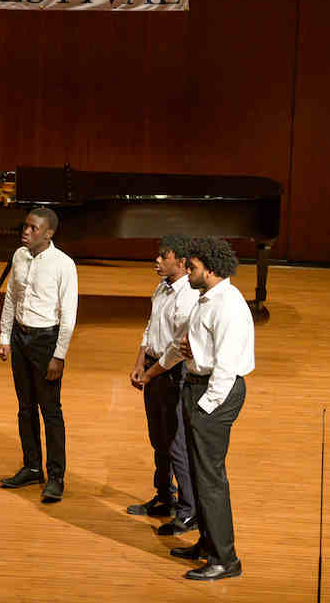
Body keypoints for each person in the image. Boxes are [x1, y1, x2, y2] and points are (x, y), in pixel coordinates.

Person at [142, 236, 254, 581]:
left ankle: (226, 559)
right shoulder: (205, 300)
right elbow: (182, 345)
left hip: (214, 394)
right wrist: (153, 371)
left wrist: (205, 407)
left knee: (210, 479)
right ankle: (207, 544)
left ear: (211, 269)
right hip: (196, 387)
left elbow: (227, 368)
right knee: (197, 471)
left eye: (192, 267)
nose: (187, 271)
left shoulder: (228, 305)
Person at [0, 207, 78, 503]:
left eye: (34, 228)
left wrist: (59, 355)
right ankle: (32, 467)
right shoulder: (19, 256)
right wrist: (5, 337)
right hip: (20, 338)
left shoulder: (63, 265)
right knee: (25, 407)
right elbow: (11, 297)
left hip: (46, 341)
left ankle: (56, 476)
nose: (26, 232)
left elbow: (69, 315)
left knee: (50, 410)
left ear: (49, 233)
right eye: (26, 226)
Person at [126, 235, 199, 535]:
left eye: (163, 256)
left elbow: (176, 350)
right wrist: (139, 363)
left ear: (181, 262)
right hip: (153, 368)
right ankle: (165, 497)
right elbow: (150, 328)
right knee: (158, 438)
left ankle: (189, 510)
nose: (156, 260)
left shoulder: (188, 296)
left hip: (172, 374)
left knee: (175, 443)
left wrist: (150, 373)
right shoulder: (161, 287)